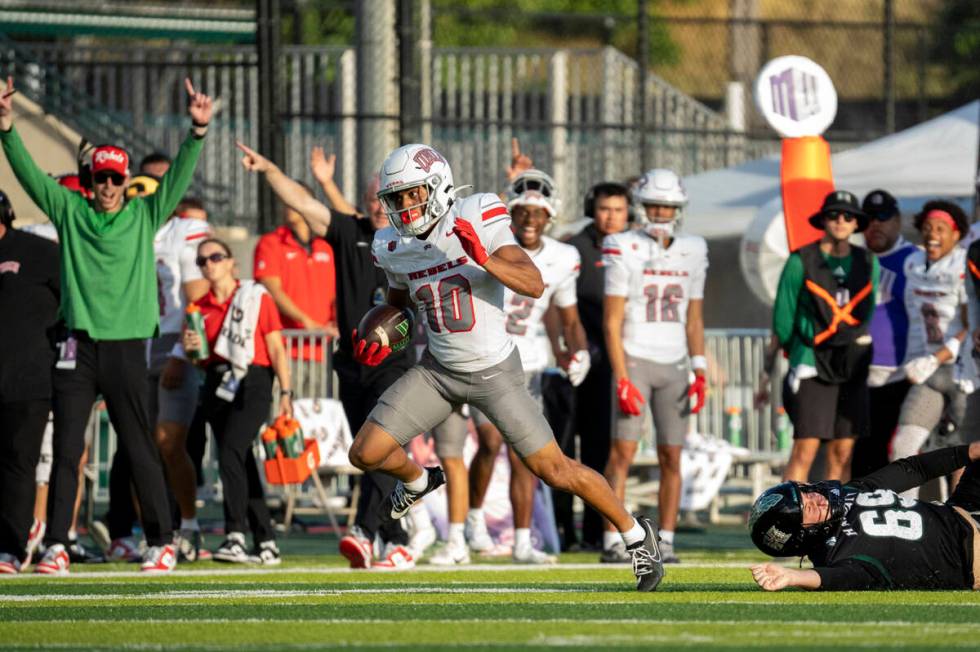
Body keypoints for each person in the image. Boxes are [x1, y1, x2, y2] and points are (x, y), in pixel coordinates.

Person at [350, 143, 665, 592]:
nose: (404, 206)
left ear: (438, 186)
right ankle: (419, 481)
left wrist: (485, 258)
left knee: (554, 469)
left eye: (413, 194)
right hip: (437, 371)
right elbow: (399, 305)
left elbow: (533, 283)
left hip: (495, 373)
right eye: (395, 198)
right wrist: (381, 334)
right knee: (365, 452)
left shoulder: (477, 213)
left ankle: (637, 536)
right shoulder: (392, 244)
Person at [0, 76, 213, 575]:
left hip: (124, 346)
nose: (110, 187)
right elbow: (28, 175)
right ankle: (56, 543)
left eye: (117, 179)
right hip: (77, 346)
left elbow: (177, 179)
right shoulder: (70, 209)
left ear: (126, 182)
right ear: (90, 181)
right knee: (69, 449)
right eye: (102, 179)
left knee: (138, 443)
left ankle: (161, 540)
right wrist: (7, 128)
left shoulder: (144, 213)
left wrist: (197, 132)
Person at [236, 142, 417, 569]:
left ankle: (366, 531)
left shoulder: (414, 241)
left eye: (386, 198)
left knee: (380, 445)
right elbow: (301, 202)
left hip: (395, 365)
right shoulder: (349, 232)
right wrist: (269, 170)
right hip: (352, 364)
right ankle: (398, 537)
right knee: (369, 453)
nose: (378, 205)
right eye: (374, 197)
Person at [455, 169, 589, 565]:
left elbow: (570, 319)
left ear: (551, 216)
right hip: (484, 357)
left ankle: (521, 541)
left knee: (524, 456)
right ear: (509, 212)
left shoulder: (564, 258)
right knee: (491, 443)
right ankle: (474, 518)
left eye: (538, 213)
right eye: (522, 211)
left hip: (526, 366)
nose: (530, 220)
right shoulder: (491, 245)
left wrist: (579, 352)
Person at [600, 168, 708, 565]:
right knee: (622, 452)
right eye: (655, 205)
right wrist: (623, 375)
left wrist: (700, 368)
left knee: (672, 457)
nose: (661, 213)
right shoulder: (622, 245)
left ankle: (667, 539)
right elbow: (612, 321)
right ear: (642, 207)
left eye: (668, 206)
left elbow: (694, 318)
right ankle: (614, 537)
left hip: (675, 361)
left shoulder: (694, 248)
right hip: (635, 357)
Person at [181, 237, 291, 566]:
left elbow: (275, 347)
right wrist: (191, 350)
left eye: (216, 256)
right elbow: (200, 360)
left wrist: (286, 392)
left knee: (230, 450)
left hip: (254, 379)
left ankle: (235, 534)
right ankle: (266, 539)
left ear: (231, 262)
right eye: (202, 261)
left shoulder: (255, 296)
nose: (209, 264)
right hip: (218, 381)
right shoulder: (198, 308)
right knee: (239, 460)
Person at [748, 441, 980, 591]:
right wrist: (792, 577)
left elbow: (913, 469)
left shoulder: (850, 492)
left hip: (961, 509)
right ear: (802, 535)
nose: (817, 498)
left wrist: (969, 451)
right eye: (808, 508)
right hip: (973, 554)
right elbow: (834, 579)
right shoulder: (836, 555)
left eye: (807, 493)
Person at [773, 190, 879, 484]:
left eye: (848, 216)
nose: (840, 221)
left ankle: (836, 524)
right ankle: (787, 520)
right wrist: (795, 353)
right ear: (823, 220)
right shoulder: (801, 259)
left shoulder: (868, 261)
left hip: (852, 361)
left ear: (857, 223)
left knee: (843, 451)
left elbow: (867, 311)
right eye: (833, 214)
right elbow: (783, 315)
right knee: (804, 449)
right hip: (811, 359)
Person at [563, 181, 631, 549]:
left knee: (600, 450)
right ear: (593, 208)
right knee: (560, 447)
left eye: (619, 210)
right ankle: (563, 532)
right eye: (606, 208)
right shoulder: (574, 247)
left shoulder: (633, 247)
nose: (611, 217)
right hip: (576, 360)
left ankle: (595, 533)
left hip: (613, 363)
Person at [889, 200, 971, 498]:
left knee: (963, 455)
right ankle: (904, 517)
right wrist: (917, 360)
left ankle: (963, 524)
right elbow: (913, 318)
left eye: (940, 228)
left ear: (956, 234)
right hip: (931, 370)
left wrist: (937, 356)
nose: (932, 234)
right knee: (905, 446)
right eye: (927, 228)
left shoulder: (964, 266)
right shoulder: (914, 264)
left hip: (966, 371)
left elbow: (971, 324)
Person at [0, 191, 60, 574]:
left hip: (28, 376)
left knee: (19, 463)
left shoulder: (38, 250)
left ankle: (10, 546)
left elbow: (71, 303)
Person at [151, 197, 212, 561]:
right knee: (140, 445)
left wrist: (178, 353)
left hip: (171, 343)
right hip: (132, 342)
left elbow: (197, 298)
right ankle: (155, 528)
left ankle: (187, 523)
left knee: (169, 441)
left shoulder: (184, 231)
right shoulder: (126, 230)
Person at [850, 190, 915, 477]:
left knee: (898, 454)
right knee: (859, 455)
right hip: (859, 374)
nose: (875, 225)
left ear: (898, 220)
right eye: (868, 219)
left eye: (883, 217)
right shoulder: (854, 261)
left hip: (902, 375)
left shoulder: (916, 261)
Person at [251, 144, 339, 348]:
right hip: (287, 346)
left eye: (296, 199)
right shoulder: (270, 243)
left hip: (324, 345)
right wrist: (307, 323)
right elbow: (272, 289)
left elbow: (337, 293)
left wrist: (336, 321)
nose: (289, 205)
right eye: (286, 199)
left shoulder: (327, 245)